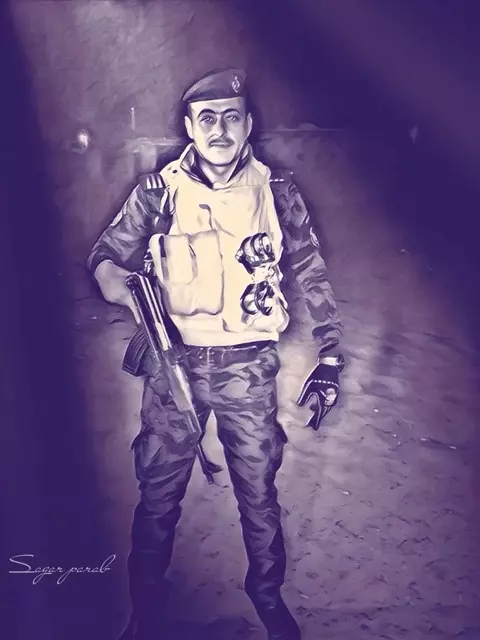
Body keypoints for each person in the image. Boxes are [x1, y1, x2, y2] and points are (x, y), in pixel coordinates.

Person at [87, 69, 344, 640]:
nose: (220, 129)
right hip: (171, 364)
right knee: (158, 495)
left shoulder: (277, 193)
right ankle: (145, 609)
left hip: (248, 368)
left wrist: (330, 355)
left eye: (231, 117)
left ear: (248, 125)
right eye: (207, 118)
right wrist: (122, 287)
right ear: (189, 127)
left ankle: (267, 594)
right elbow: (105, 256)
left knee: (258, 491)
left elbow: (310, 270)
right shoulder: (158, 193)